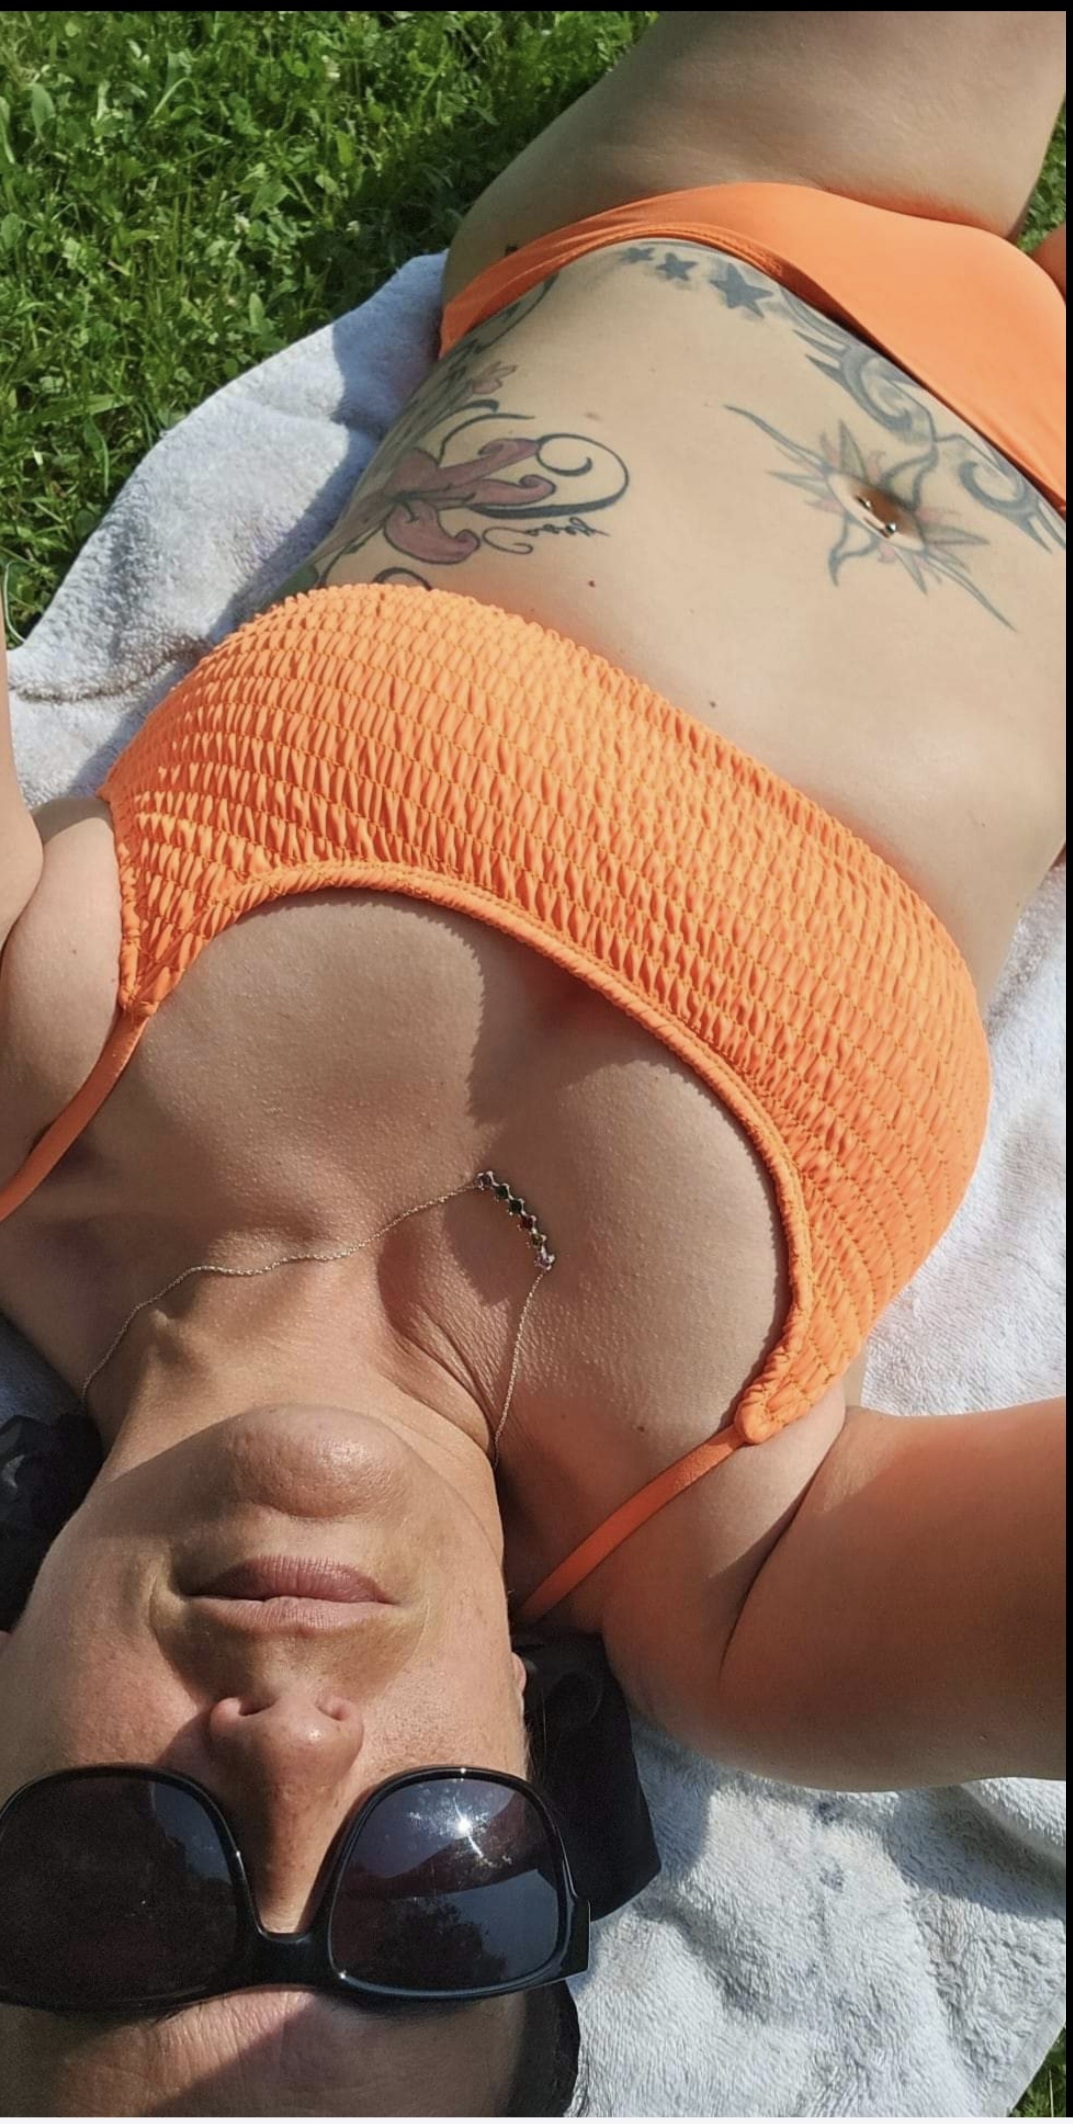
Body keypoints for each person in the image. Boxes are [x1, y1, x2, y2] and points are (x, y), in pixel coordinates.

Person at [0, 9, 1066, 2114]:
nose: (292, 1744)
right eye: (430, 1910)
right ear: (548, 1841)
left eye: (118, 1894)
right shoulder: (741, 1587)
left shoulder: (44, 1102)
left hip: (750, 208)